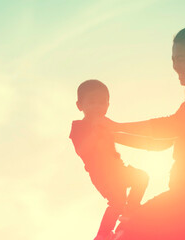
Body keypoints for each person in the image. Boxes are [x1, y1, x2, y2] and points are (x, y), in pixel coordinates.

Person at [105, 25, 185, 240]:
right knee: (130, 228)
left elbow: (168, 128)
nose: (175, 66)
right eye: (173, 59)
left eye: (181, 59)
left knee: (129, 231)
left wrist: (115, 127)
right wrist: (113, 136)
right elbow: (160, 144)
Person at [69, 79, 173, 240]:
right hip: (101, 175)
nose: (97, 107)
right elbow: (82, 150)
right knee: (116, 201)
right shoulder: (79, 127)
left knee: (142, 177)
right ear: (80, 106)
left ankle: (130, 212)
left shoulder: (106, 126)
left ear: (108, 105)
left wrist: (156, 144)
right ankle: (102, 234)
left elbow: (124, 138)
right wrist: (96, 133)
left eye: (101, 103)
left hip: (118, 169)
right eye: (92, 103)